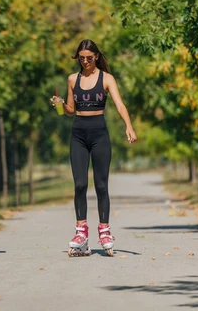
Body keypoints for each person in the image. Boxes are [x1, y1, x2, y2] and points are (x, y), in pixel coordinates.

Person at [51, 39, 137, 257]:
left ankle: (105, 231)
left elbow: (119, 103)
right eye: (81, 58)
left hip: (99, 133)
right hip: (78, 133)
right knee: (80, 184)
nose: (85, 61)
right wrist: (60, 105)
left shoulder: (107, 79)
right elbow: (71, 110)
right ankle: (81, 231)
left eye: (89, 58)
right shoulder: (73, 79)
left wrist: (129, 125)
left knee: (101, 185)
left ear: (96, 56)